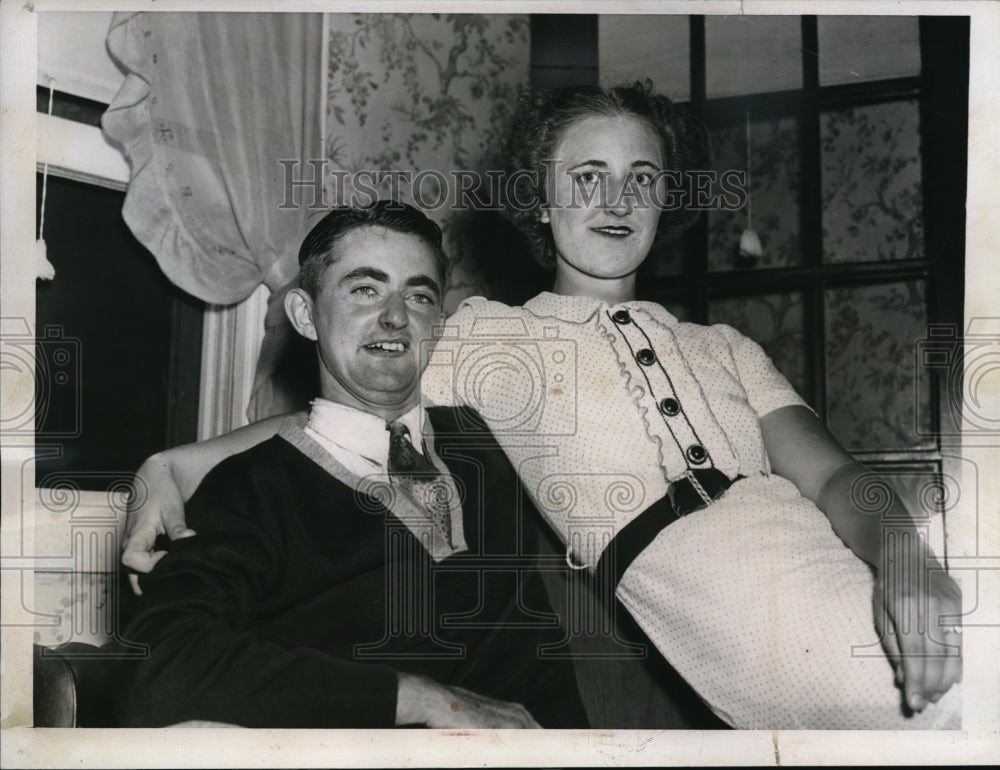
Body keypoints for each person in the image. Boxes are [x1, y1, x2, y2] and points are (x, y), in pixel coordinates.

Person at [123, 82, 962, 729]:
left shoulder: (728, 347)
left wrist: (906, 560)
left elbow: (838, 481)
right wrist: (174, 463)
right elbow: (357, 398)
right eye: (587, 177)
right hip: (761, 634)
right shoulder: (487, 339)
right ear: (539, 199)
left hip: (860, 577)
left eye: (643, 179)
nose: (617, 200)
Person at [115, 201, 589, 729]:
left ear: (439, 323)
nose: (394, 315)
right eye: (365, 289)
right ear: (304, 315)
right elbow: (160, 672)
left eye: (418, 294)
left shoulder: (488, 438)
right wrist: (420, 699)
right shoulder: (252, 489)